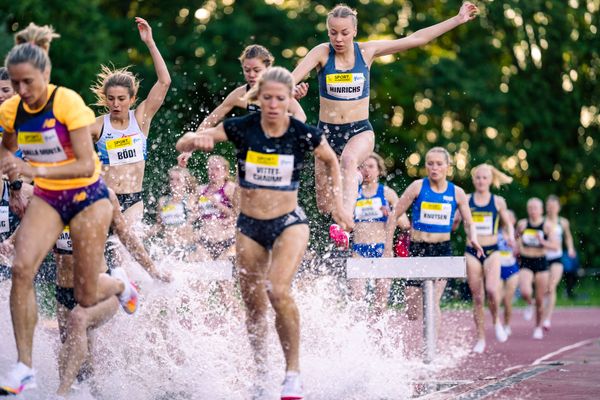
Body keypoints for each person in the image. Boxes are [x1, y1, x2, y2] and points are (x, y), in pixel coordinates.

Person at [177, 66, 352, 400]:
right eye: (267, 98)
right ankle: (260, 374)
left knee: (278, 289)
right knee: (254, 308)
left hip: (289, 222)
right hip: (249, 227)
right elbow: (185, 141)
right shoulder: (243, 128)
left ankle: (293, 374)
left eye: (280, 99)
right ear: (257, 98)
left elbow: (330, 161)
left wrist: (338, 205)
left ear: (289, 101)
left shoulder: (303, 133)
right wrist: (194, 140)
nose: (273, 104)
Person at [0, 40, 135, 395]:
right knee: (21, 269)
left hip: (85, 197)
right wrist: (15, 182)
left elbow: (86, 164)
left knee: (87, 295)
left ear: (45, 75)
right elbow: (7, 147)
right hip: (48, 196)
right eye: (15, 84)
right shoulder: (12, 109)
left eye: (28, 82)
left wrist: (30, 168)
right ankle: (24, 367)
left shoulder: (68, 104)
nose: (22, 91)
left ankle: (120, 285)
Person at [292, 2, 479, 248]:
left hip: (359, 130)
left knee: (348, 160)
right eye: (333, 32)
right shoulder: (321, 53)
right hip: (326, 133)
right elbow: (289, 78)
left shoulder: (367, 52)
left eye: (344, 33)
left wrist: (457, 19)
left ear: (354, 31)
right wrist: (292, 91)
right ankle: (356, 180)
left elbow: (416, 39)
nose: (338, 39)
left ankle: (344, 226)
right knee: (324, 205)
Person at [54, 189, 170, 396]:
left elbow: (125, 235)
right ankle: (90, 393)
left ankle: (60, 395)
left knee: (78, 319)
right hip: (64, 290)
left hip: (99, 284)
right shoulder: (48, 196)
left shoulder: (103, 194)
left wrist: (154, 270)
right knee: (78, 357)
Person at [384, 147, 483, 334]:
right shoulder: (418, 187)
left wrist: (474, 239)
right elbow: (394, 214)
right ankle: (425, 327)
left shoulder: (457, 192)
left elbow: (469, 223)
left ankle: (431, 351)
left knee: (432, 301)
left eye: (439, 164)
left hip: (442, 250)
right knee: (413, 310)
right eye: (430, 164)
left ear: (447, 166)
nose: (434, 168)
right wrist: (388, 248)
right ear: (425, 166)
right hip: (418, 249)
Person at [91, 17, 171, 224]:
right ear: (105, 99)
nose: (116, 104)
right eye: (111, 99)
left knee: (123, 253)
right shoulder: (99, 125)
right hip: (104, 199)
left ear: (132, 99)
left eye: (121, 99)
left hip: (133, 200)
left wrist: (150, 43)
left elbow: (164, 82)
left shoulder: (141, 118)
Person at [178, 45, 306, 167]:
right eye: (247, 70)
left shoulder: (278, 91)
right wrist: (189, 149)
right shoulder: (240, 94)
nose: (251, 75)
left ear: (267, 69)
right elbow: (212, 119)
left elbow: (301, 116)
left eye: (256, 70)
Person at [453, 164, 514, 353]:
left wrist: (511, 236)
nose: (481, 181)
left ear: (490, 180)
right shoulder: (466, 200)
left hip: (492, 250)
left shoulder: (498, 201)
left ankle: (496, 322)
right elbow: (454, 224)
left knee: (492, 291)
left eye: (484, 177)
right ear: (473, 180)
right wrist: (454, 222)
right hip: (472, 251)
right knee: (478, 297)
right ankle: (480, 337)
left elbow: (508, 223)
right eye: (478, 177)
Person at [349, 153, 398, 318]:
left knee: (380, 303)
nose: (366, 170)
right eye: (363, 166)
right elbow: (344, 220)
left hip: (382, 249)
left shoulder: (387, 193)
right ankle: (360, 339)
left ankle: (380, 340)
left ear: (379, 171)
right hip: (359, 249)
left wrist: (390, 214)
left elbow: (405, 223)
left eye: (371, 166)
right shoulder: (353, 194)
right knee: (357, 299)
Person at [516, 198, 559, 340]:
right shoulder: (522, 224)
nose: (533, 211)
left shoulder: (547, 226)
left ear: (541, 210)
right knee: (525, 291)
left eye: (536, 208)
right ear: (528, 210)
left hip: (541, 262)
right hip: (526, 261)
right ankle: (529, 303)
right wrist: (518, 247)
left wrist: (543, 242)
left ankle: (538, 327)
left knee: (540, 299)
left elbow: (555, 246)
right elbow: (515, 237)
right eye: (531, 208)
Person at [190, 155, 237, 261]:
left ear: (225, 172)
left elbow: (238, 213)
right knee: (203, 273)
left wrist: (217, 204)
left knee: (224, 274)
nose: (213, 172)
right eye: (210, 168)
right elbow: (191, 211)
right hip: (205, 241)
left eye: (217, 169)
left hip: (226, 240)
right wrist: (194, 211)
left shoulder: (230, 188)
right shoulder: (201, 190)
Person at [145, 166, 197, 259]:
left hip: (187, 248)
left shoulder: (191, 199)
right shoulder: (163, 201)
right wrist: (144, 234)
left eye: (178, 180)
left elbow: (192, 221)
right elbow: (159, 224)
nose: (174, 183)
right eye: (172, 179)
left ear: (186, 182)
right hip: (167, 248)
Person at [543, 195, 576, 330]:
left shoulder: (563, 222)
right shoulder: (542, 221)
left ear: (558, 208)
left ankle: (547, 319)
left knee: (552, 286)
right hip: (543, 258)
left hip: (557, 257)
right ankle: (538, 305)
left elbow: (568, 237)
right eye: (549, 207)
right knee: (545, 288)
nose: (551, 209)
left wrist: (570, 248)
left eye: (554, 207)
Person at [498, 209, 519, 336]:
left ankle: (506, 324)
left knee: (507, 300)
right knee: (496, 298)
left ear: (513, 221)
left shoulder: (516, 234)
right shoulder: (496, 232)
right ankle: (497, 322)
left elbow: (520, 250)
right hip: (498, 268)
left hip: (512, 268)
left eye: (510, 218)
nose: (507, 220)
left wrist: (517, 246)